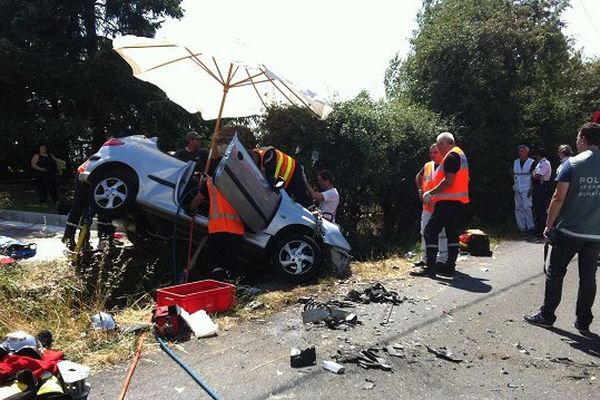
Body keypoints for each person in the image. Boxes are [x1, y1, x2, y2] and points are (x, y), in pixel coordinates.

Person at [524, 123, 600, 334]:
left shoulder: (572, 164)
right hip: (595, 234)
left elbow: (558, 197)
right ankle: (583, 321)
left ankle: (547, 315)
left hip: (569, 231)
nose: (576, 142)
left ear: (584, 139)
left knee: (555, 273)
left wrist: (548, 226)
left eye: (578, 138)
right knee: (588, 276)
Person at [411, 132, 469, 278]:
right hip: (456, 201)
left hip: (446, 201)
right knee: (451, 232)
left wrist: (431, 192)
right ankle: (449, 266)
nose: (437, 148)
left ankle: (430, 268)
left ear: (445, 143)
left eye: (438, 145)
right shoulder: (459, 154)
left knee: (430, 231)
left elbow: (448, 181)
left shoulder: (451, 156)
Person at [189, 130, 245, 281]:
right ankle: (234, 285)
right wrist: (214, 142)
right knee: (232, 262)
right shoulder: (239, 179)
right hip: (236, 229)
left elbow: (198, 200)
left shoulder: (211, 181)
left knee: (215, 260)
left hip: (218, 228)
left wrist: (190, 210)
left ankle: (220, 283)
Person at [413, 144, 448, 269]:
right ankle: (425, 259)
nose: (433, 155)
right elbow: (418, 177)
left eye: (435, 152)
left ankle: (442, 260)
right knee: (424, 233)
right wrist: (420, 191)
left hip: (440, 205)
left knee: (442, 234)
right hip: (427, 206)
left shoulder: (446, 165)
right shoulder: (428, 165)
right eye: (431, 152)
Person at [62, 172, 115, 251]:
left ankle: (71, 238)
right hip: (99, 177)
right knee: (102, 207)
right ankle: (102, 240)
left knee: (80, 207)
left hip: (86, 174)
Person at [511, 145, 535, 232]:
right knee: (518, 207)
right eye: (519, 151)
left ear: (526, 152)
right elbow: (513, 173)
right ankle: (521, 227)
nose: (521, 153)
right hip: (517, 187)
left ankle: (530, 227)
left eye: (522, 151)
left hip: (527, 187)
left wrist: (531, 188)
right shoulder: (516, 162)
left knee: (527, 207)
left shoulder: (532, 162)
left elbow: (533, 176)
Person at [531, 148, 552, 234]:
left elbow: (537, 175)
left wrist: (533, 174)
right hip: (538, 185)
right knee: (537, 207)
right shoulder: (539, 163)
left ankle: (542, 229)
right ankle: (538, 228)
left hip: (542, 185)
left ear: (538, 155)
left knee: (541, 208)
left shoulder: (545, 163)